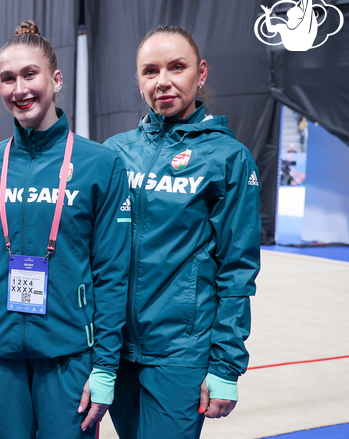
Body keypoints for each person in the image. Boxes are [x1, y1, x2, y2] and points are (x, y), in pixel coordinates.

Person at [0, 21, 131, 438]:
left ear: (56, 79)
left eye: (29, 74)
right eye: (7, 78)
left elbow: (112, 272)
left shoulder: (99, 164)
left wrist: (106, 365)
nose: (19, 88)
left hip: (69, 356)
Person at [104, 25, 261, 438]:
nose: (163, 82)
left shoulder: (229, 158)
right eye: (150, 71)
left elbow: (237, 268)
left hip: (179, 353)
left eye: (177, 67)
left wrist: (226, 366)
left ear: (201, 72)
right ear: (139, 80)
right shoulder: (115, 152)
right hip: (114, 350)